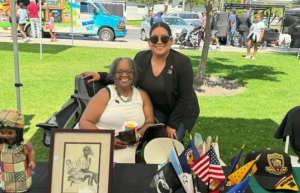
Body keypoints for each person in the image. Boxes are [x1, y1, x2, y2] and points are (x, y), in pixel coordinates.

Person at [81, 22, 200, 143]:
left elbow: (185, 97)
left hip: (181, 109)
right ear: (149, 42)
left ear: (171, 40)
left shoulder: (182, 62)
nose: (159, 42)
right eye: (154, 38)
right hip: (158, 108)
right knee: (153, 139)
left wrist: (172, 125)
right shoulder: (141, 58)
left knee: (172, 143)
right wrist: (101, 76)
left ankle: (176, 158)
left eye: (164, 38)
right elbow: (127, 76)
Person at [79, 57, 154, 162]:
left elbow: (149, 122)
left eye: (129, 71)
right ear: (113, 74)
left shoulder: (142, 95)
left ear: (134, 74)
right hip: (99, 139)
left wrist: (138, 135)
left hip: (127, 143)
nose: (124, 75)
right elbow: (84, 122)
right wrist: (107, 140)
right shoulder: (105, 94)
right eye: (119, 71)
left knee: (123, 168)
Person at [0, 110, 36, 193]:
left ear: (18, 132)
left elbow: (31, 151)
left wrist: (31, 160)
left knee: (22, 182)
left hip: (21, 168)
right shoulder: (2, 144)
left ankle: (21, 189)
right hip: (6, 169)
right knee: (7, 180)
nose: (5, 135)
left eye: (10, 133)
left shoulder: (24, 142)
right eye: (2, 132)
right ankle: (9, 189)